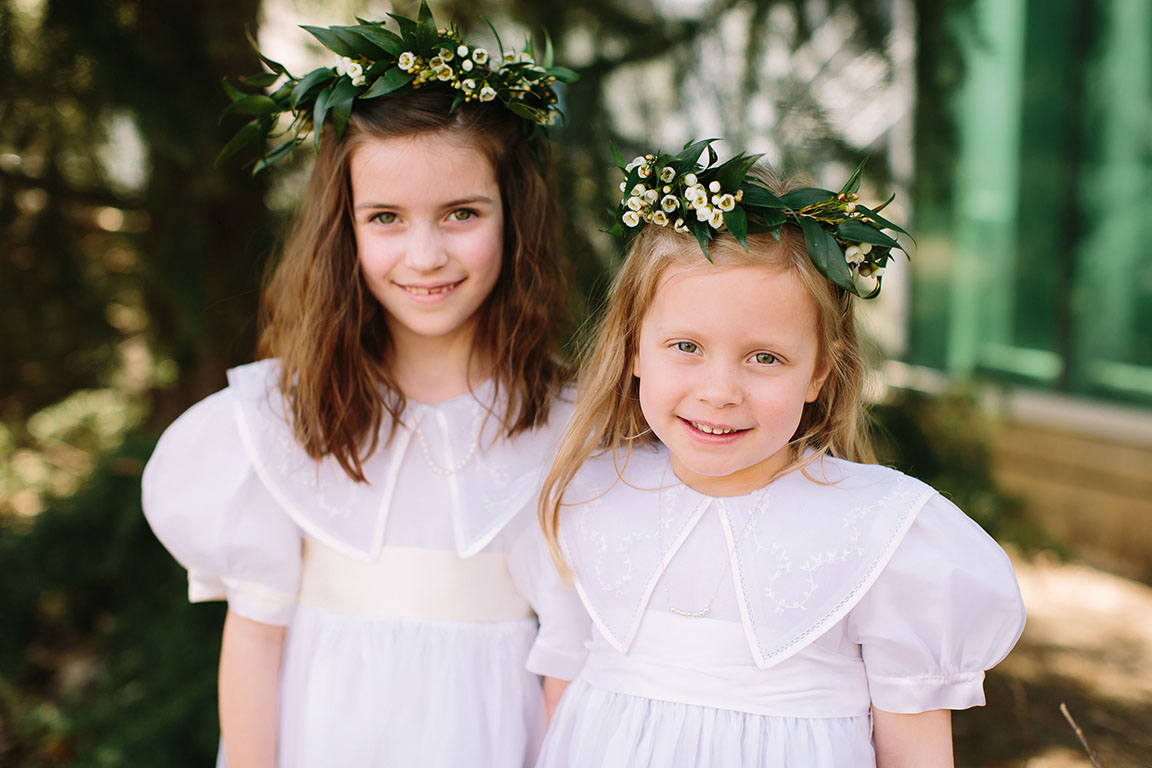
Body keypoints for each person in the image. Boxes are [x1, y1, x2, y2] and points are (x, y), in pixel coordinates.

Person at [141, 7, 587, 767]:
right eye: (386, 217)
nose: (425, 254)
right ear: (342, 228)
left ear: (514, 216)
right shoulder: (283, 419)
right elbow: (254, 638)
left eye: (461, 214)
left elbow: (570, 664)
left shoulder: (570, 426)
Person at [534, 142, 1026, 767]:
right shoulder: (588, 497)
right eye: (685, 345)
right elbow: (562, 701)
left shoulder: (882, 532)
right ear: (634, 350)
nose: (719, 391)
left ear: (820, 373)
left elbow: (915, 751)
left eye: (765, 357)